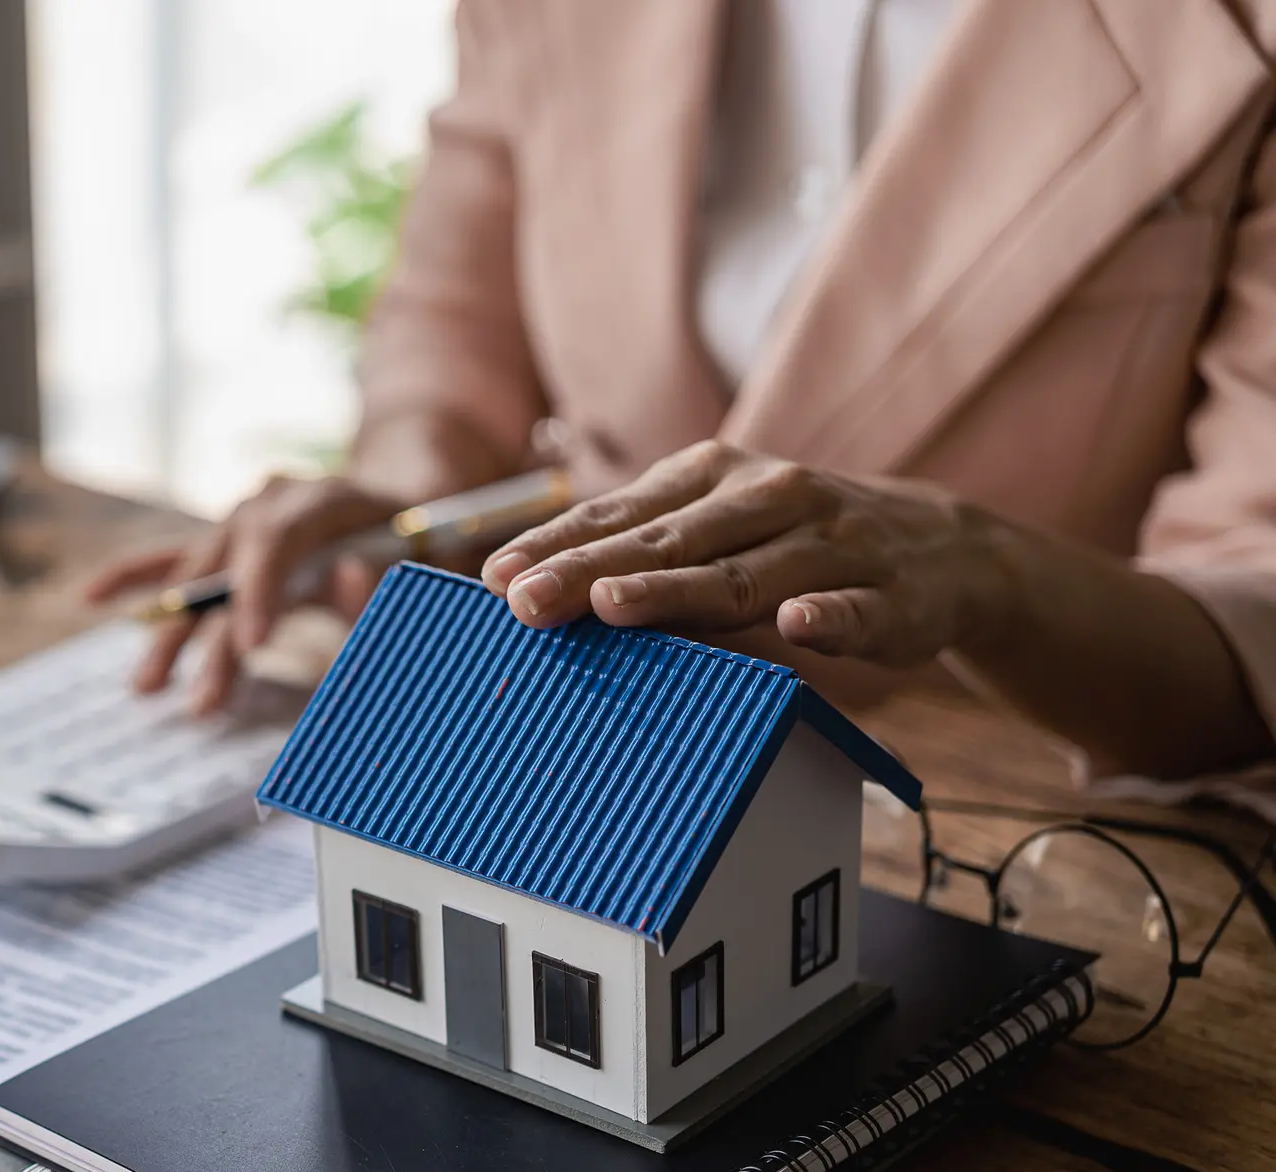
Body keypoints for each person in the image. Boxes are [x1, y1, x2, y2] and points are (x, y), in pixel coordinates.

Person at [88, 0, 1276, 783]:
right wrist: (414, 470)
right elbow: (459, 307)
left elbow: (1251, 624)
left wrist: (987, 577)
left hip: (1010, 803)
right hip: (576, 727)